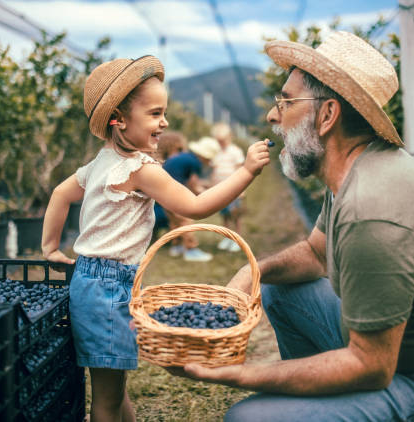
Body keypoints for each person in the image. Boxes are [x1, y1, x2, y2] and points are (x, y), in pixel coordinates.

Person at [167, 32, 414, 422]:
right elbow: (316, 254)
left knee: (249, 418)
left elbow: (371, 366)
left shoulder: (373, 207)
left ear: (328, 115)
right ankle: (319, 401)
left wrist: (240, 373)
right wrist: (252, 271)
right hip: (404, 356)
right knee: (280, 289)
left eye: (286, 102)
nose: (272, 116)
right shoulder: (354, 173)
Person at [41, 55, 271, 422]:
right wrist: (245, 172)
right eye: (154, 113)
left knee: (113, 388)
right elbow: (196, 207)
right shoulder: (141, 169)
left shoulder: (97, 164)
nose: (164, 122)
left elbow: (59, 195)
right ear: (118, 119)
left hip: (90, 282)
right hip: (110, 288)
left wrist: (50, 247)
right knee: (105, 399)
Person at [162, 136, 221, 262]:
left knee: (174, 221)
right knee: (185, 221)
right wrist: (205, 193)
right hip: (173, 194)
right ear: (204, 156)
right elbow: (193, 185)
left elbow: (187, 180)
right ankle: (191, 250)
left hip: (162, 193)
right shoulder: (195, 163)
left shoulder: (185, 157)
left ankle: (176, 246)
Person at [211, 122, 245, 253]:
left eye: (222, 140)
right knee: (224, 214)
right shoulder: (216, 153)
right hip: (220, 189)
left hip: (233, 190)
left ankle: (237, 238)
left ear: (229, 137)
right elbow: (214, 171)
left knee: (235, 214)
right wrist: (212, 186)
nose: (221, 143)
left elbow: (240, 171)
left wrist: (241, 190)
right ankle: (227, 238)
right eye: (218, 141)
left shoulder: (235, 151)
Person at [152, 131, 187, 240]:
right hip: (160, 212)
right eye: (180, 150)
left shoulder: (154, 164)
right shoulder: (171, 167)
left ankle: (154, 237)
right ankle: (182, 243)